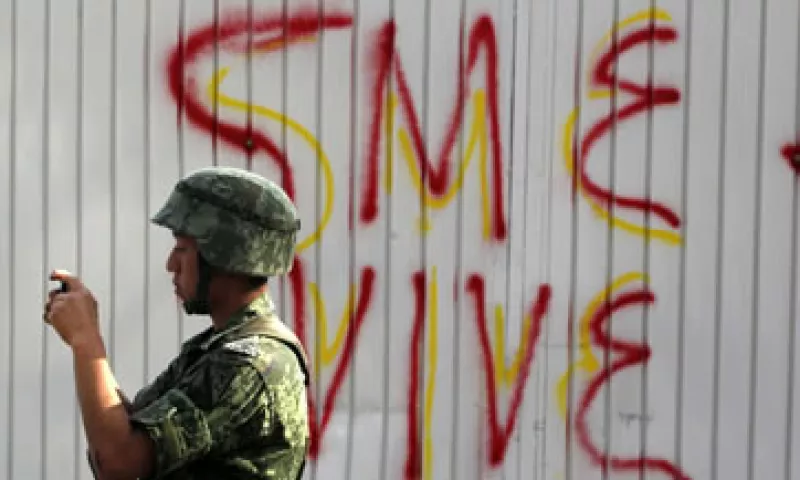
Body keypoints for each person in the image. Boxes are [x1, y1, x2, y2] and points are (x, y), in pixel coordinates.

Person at [43, 166, 311, 479]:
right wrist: (87, 336)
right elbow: (128, 429)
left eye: (182, 250)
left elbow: (119, 462)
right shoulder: (217, 349)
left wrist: (86, 342)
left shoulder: (251, 365)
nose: (171, 265)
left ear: (223, 255)